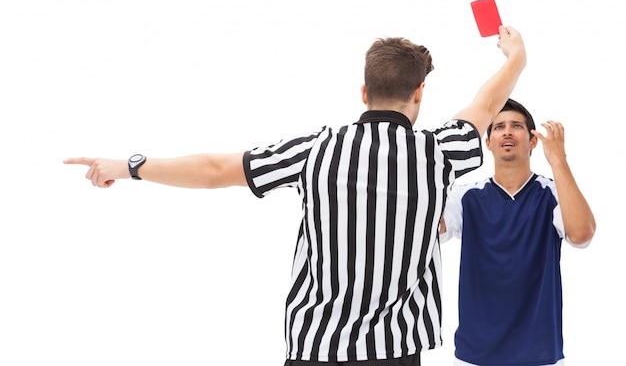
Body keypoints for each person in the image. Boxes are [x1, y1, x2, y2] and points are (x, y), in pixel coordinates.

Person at [64, 25, 526, 365]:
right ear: (420, 93)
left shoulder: (316, 149)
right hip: (395, 352)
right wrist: (515, 59)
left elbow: (213, 170)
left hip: (315, 350)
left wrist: (129, 167)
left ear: (364, 91)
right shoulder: (439, 151)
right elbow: (485, 106)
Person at [439, 99, 596, 366]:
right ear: (487, 143)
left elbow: (582, 234)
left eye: (517, 126)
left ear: (533, 141)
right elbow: (429, 230)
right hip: (477, 350)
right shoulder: (465, 196)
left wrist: (558, 159)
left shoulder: (552, 193)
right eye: (498, 127)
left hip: (537, 350)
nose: (508, 132)